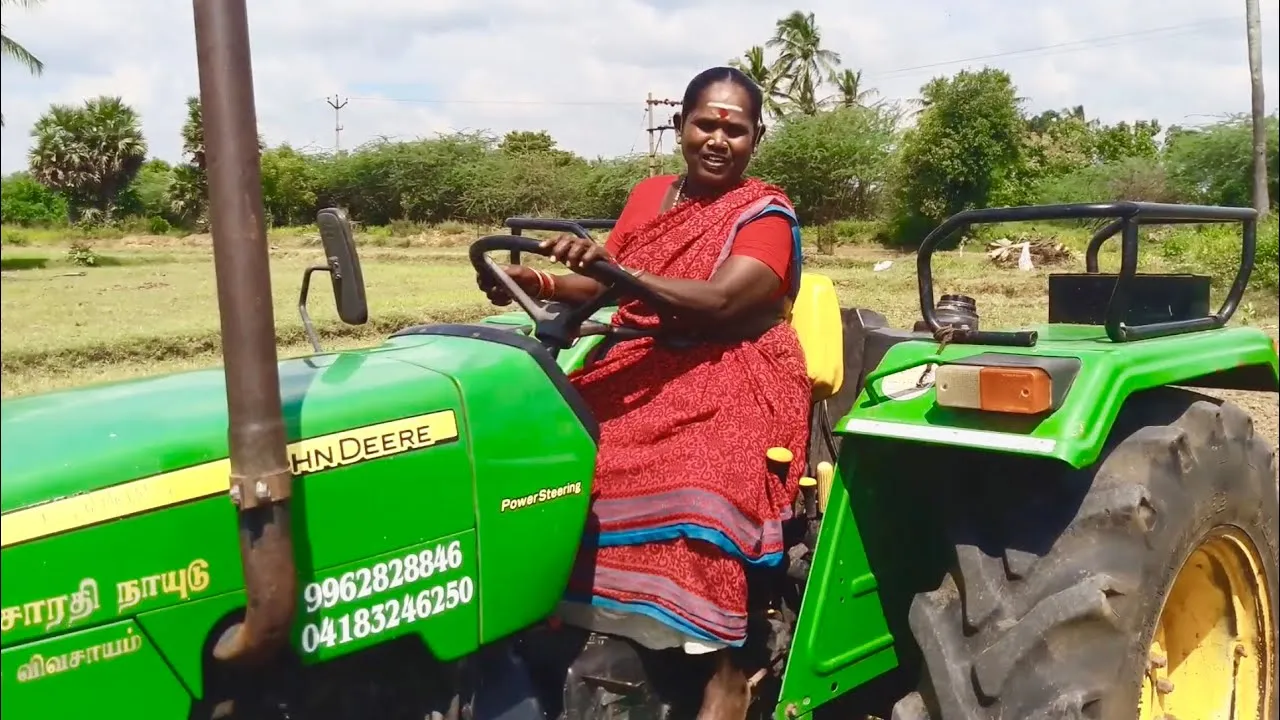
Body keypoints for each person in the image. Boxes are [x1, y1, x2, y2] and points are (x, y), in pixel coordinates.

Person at [477, 66, 810, 717]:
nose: (718, 139)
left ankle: (724, 667)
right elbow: (611, 289)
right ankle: (556, 622)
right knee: (550, 459)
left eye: (734, 129)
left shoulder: (766, 213)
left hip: (734, 369)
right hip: (642, 360)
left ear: (756, 137)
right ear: (680, 126)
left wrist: (613, 267)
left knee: (700, 475)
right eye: (705, 123)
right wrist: (542, 283)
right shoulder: (651, 196)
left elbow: (716, 301)